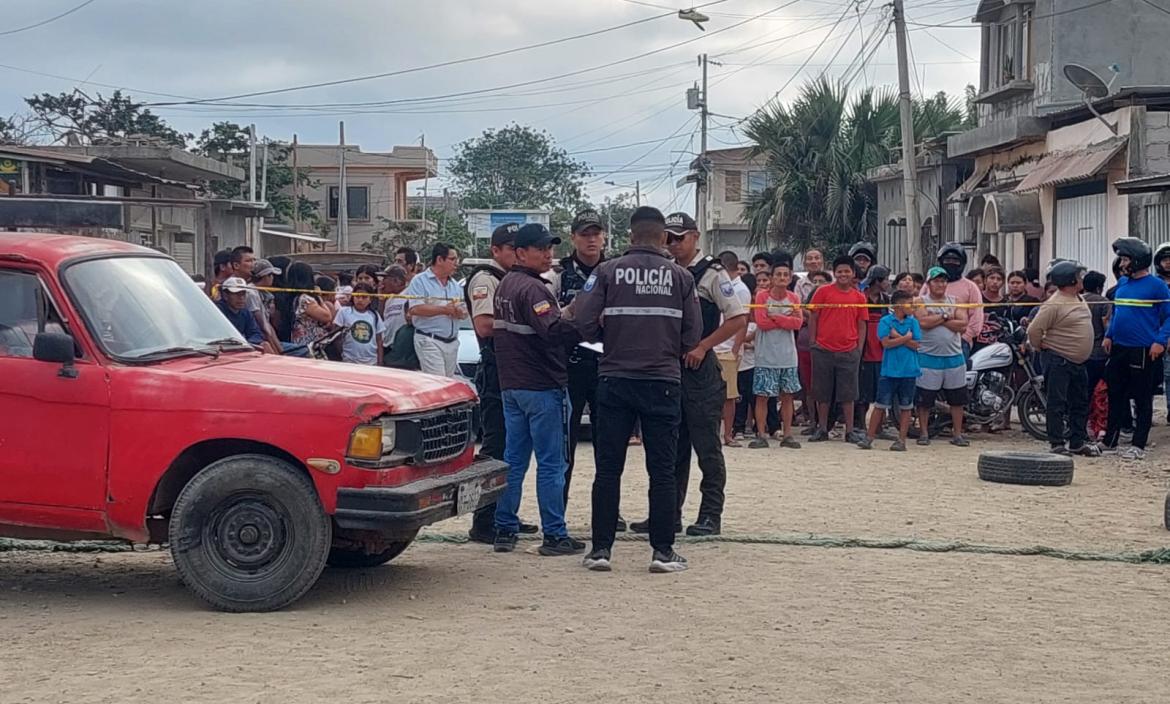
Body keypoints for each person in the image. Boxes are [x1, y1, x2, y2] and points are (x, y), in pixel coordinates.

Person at [574, 206, 701, 574]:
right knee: (661, 470)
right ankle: (663, 552)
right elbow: (692, 336)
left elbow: (583, 320)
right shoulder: (681, 278)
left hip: (614, 378)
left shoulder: (606, 271)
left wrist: (605, 338)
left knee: (608, 468)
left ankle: (600, 550)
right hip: (662, 381)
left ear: (629, 236)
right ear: (663, 238)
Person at [491, 224, 585, 557]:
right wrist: (585, 325)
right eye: (541, 249)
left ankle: (504, 528)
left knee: (513, 461)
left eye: (550, 248)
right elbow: (553, 331)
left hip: (512, 387)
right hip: (544, 387)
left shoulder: (505, 285)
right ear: (520, 253)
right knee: (552, 464)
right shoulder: (534, 290)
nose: (548, 254)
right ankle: (555, 535)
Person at [654, 211, 746, 538]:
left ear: (695, 236)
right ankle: (668, 514)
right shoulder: (663, 270)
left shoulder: (712, 274)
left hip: (700, 368)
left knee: (706, 446)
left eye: (679, 237)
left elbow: (737, 318)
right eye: (668, 238)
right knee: (670, 447)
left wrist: (704, 346)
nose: (673, 244)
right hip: (668, 367)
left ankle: (710, 515)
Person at [463, 223, 537, 544]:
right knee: (495, 448)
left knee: (513, 449)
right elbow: (483, 326)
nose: (516, 253)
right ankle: (484, 521)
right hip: (495, 371)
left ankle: (504, 515)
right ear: (496, 250)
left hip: (512, 370)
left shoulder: (511, 279)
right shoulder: (485, 279)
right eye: (510, 248)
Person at [546, 209, 610, 512]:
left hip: (607, 366)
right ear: (574, 237)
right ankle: (559, 508)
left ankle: (609, 510)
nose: (591, 240)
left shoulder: (615, 270)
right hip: (569, 366)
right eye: (585, 234)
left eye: (596, 233)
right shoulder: (557, 274)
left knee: (608, 444)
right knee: (565, 444)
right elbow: (548, 320)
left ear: (605, 237)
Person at [1101, 238, 1170, 460]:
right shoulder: (1123, 284)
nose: (1121, 263)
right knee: (1115, 394)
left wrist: (1160, 340)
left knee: (1142, 397)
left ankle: (1138, 444)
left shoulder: (1157, 286)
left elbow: (1169, 316)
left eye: (1125, 259)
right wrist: (1109, 335)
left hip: (1143, 349)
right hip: (1119, 347)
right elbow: (1118, 314)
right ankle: (1109, 441)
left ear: (1137, 260)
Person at [1026, 261, 1097, 456]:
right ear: (1070, 280)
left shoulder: (1078, 298)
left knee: (1080, 403)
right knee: (1057, 403)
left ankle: (1077, 441)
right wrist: (1040, 346)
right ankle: (1056, 442)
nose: (1082, 279)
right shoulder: (1054, 304)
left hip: (1077, 361)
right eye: (1078, 276)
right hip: (1059, 359)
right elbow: (1034, 329)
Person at [807, 255, 868, 443]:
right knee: (822, 392)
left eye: (847, 271)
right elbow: (813, 317)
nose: (843, 274)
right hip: (823, 349)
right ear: (834, 273)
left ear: (853, 274)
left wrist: (858, 348)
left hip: (849, 350)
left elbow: (862, 324)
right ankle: (822, 428)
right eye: (839, 271)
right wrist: (813, 342)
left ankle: (849, 431)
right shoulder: (822, 292)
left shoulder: (859, 296)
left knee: (848, 394)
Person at [858, 290, 921, 451]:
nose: (912, 306)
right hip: (890, 370)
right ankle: (869, 437)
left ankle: (901, 440)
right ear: (899, 305)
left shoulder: (913, 322)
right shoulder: (886, 320)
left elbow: (917, 344)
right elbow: (885, 343)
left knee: (906, 407)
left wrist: (897, 337)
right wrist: (906, 337)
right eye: (909, 303)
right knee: (880, 405)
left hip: (909, 370)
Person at [915, 267, 971, 447]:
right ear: (929, 283)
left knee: (957, 400)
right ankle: (923, 432)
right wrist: (948, 316)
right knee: (924, 400)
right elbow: (924, 323)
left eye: (943, 281)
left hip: (954, 357)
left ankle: (957, 434)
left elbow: (963, 325)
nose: (940, 284)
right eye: (936, 281)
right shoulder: (920, 301)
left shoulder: (956, 301)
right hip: (928, 357)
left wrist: (940, 317)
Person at [750, 261, 803, 449]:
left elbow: (798, 324)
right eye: (778, 274)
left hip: (788, 355)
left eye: (785, 275)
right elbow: (762, 323)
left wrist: (777, 317)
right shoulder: (762, 296)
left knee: (787, 396)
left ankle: (787, 434)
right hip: (766, 355)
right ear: (772, 278)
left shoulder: (794, 298)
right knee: (762, 396)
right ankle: (761, 433)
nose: (782, 278)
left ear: (790, 278)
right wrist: (786, 319)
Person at [405, 243, 465, 377]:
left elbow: (464, 311)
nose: (456, 263)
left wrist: (460, 312)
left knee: (449, 384)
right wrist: (444, 310)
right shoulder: (419, 281)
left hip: (452, 342)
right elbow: (415, 308)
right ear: (439, 260)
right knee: (439, 381)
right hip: (429, 339)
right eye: (452, 259)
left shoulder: (455, 285)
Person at [922, 244, 984, 360]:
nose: (951, 263)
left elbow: (976, 317)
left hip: (960, 343)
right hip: (929, 342)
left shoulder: (971, 287)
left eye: (955, 260)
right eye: (947, 260)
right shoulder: (928, 286)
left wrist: (965, 337)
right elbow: (920, 313)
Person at [715, 250, 751, 446]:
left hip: (728, 347)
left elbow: (743, 321)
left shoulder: (741, 289)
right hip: (714, 344)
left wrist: (736, 348)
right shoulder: (722, 285)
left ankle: (728, 434)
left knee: (729, 395)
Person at [856, 266, 891, 431]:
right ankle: (861, 426)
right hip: (864, 349)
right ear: (877, 281)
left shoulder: (887, 300)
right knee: (863, 392)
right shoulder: (860, 298)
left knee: (881, 391)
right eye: (885, 279)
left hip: (882, 349)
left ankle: (879, 427)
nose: (888, 282)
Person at [333, 283, 385, 366]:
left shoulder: (374, 315)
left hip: (371, 361)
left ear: (370, 299)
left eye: (364, 297)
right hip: (349, 360)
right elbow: (336, 336)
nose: (360, 300)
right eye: (357, 296)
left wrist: (380, 361)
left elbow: (379, 340)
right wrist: (341, 354)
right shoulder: (344, 312)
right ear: (352, 297)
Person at [286, 263, 332, 348]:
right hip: (310, 343)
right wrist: (319, 297)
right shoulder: (305, 299)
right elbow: (327, 316)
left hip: (302, 341)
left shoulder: (292, 297)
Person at [1082, 270, 1111, 400]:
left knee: (1082, 390)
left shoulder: (1076, 301)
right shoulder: (1104, 302)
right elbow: (1108, 327)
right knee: (1099, 389)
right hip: (1099, 353)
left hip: (1078, 352)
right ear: (1099, 287)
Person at [247, 258, 283, 355]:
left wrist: (281, 351)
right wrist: (276, 354)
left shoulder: (264, 293)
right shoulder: (251, 293)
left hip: (267, 338)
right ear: (263, 276)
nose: (272, 278)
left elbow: (268, 325)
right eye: (270, 275)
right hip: (257, 340)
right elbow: (262, 326)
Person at [215, 277, 264, 346]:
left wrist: (247, 343)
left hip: (241, 348)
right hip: (223, 349)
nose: (241, 298)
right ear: (225, 296)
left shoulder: (246, 313)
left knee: (265, 345)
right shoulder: (217, 312)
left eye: (243, 294)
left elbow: (256, 334)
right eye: (236, 294)